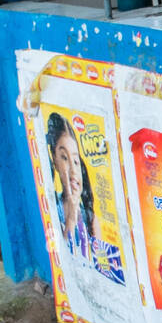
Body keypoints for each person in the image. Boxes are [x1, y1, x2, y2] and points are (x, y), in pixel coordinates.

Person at [47, 113, 99, 266]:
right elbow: (61, 262)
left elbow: (104, 266)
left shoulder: (89, 217)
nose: (73, 169)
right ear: (54, 160)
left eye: (76, 161)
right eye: (64, 157)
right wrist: (71, 214)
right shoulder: (53, 209)